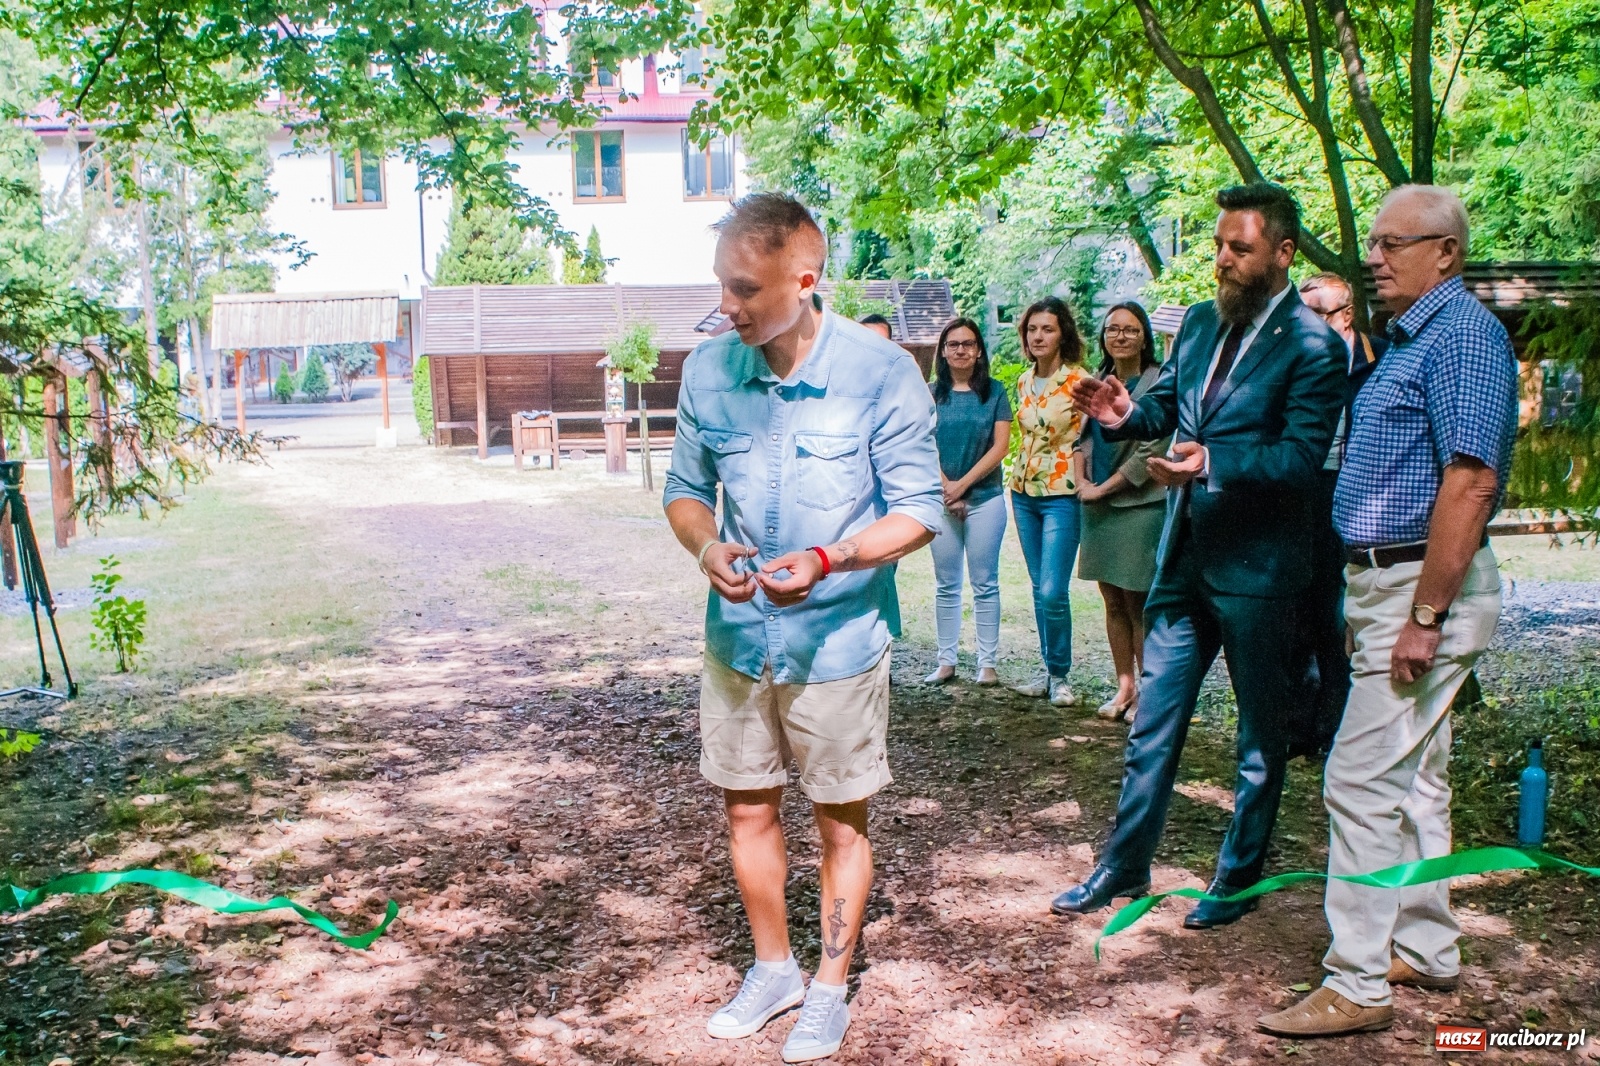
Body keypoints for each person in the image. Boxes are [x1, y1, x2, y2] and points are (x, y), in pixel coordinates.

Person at [662, 193, 943, 1063]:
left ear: (805, 279)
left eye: (745, 289)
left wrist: (831, 558)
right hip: (738, 641)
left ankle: (828, 988)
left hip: (839, 643)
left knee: (839, 825)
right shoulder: (708, 371)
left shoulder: (880, 373)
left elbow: (919, 511)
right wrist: (706, 545)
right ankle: (773, 969)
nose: (728, 306)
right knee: (746, 809)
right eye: (722, 285)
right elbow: (684, 490)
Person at [1259, 186, 1517, 1038]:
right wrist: (1370, 598)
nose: (1373, 257)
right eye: (1372, 242)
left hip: (1423, 590)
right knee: (1417, 781)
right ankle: (1427, 947)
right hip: (1388, 586)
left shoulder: (1464, 336)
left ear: (1446, 252)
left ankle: (1358, 981)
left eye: (1392, 243)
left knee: (1359, 780)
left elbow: (1470, 482)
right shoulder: (1414, 337)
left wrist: (1425, 615)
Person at [1054, 183, 1345, 928]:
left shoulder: (1315, 347)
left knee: (1259, 738)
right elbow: (1170, 407)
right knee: (1152, 721)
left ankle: (1236, 879)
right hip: (1184, 556)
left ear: (1282, 253)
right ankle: (1124, 864)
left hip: (1261, 571)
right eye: (1218, 245)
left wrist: (1213, 462)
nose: (1221, 259)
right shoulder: (1196, 323)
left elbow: (1301, 458)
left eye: (1238, 248)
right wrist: (1125, 413)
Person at [1288, 273, 1389, 759]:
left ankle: (1336, 730)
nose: (1306, 324)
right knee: (1297, 613)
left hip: (1357, 499)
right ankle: (1298, 728)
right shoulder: (1294, 361)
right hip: (1301, 492)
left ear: (1346, 315)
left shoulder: (1380, 360)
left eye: (1317, 315)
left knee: (1339, 615)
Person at [1076, 302, 1169, 722]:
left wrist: (1103, 489)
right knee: (1111, 599)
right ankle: (1124, 686)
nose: (1121, 336)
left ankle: (1150, 692)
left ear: (1145, 336)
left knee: (1138, 601)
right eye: (1113, 329)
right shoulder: (1097, 378)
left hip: (1139, 504)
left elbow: (1152, 450)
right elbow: (1080, 438)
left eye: (1130, 329)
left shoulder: (1159, 381)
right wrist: (1082, 483)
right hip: (1097, 505)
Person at [1008, 296, 1091, 707]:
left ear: (1063, 335)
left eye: (1048, 329)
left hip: (1062, 492)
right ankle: (1048, 670)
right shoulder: (1023, 381)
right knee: (1039, 587)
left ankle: (1061, 676)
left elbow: (1090, 439)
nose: (1038, 337)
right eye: (1032, 329)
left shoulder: (1081, 382)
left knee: (1055, 590)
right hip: (1023, 492)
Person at [925, 317, 1012, 686]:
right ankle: (946, 661)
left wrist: (962, 486)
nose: (961, 350)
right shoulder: (929, 394)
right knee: (946, 584)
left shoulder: (995, 392)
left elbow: (1001, 447)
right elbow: (921, 443)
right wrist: (947, 488)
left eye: (968, 344)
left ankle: (987, 664)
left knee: (985, 583)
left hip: (985, 500)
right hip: (940, 500)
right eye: (953, 344)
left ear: (979, 351)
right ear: (943, 352)